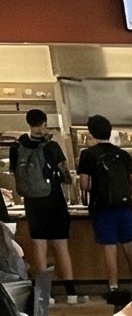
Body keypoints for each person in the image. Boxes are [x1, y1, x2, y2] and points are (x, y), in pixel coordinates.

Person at [10, 108, 76, 305]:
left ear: (28, 124)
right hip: (53, 201)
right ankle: (72, 294)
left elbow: (15, 174)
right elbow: (66, 177)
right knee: (61, 247)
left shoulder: (17, 147)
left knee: (39, 247)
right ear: (45, 123)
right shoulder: (52, 146)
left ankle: (45, 295)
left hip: (33, 203)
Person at [76, 116, 132, 305]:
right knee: (131, 247)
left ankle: (113, 288)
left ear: (91, 133)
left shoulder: (88, 155)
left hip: (103, 207)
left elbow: (84, 184)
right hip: (125, 206)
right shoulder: (122, 154)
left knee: (110, 248)